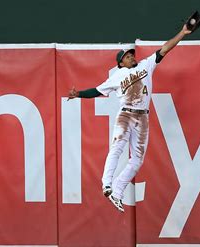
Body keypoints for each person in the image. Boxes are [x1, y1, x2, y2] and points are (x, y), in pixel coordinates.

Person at [68, 24, 192, 212]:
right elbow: (97, 90)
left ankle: (117, 192)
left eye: (131, 54)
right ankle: (106, 184)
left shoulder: (146, 65)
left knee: (137, 161)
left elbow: (165, 48)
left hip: (143, 118)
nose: (131, 56)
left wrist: (182, 33)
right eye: (127, 56)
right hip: (126, 113)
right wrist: (79, 94)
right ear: (121, 63)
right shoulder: (117, 76)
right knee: (117, 148)